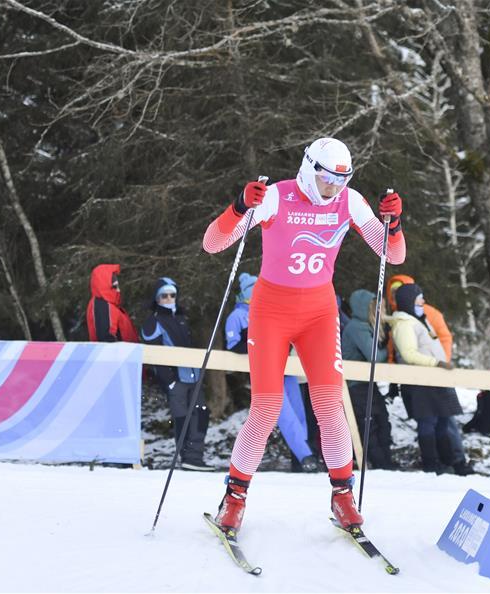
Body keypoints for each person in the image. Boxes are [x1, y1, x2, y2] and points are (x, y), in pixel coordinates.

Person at [202, 137, 405, 535]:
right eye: (327, 178)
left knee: (329, 405)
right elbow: (213, 243)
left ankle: (342, 495)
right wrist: (240, 206)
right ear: (309, 169)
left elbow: (392, 255)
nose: (333, 188)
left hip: (318, 312)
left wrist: (393, 225)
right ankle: (234, 498)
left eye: (341, 180)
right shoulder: (277, 197)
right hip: (271, 311)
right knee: (266, 407)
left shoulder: (349, 202)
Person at [225, 272, 320, 472]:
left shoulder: (272, 310)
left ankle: (302, 457)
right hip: (265, 370)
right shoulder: (237, 316)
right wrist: (256, 342)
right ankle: (306, 456)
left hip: (286, 368)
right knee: (283, 413)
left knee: (299, 412)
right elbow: (233, 345)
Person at [389, 283, 472, 475]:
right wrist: (436, 363)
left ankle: (448, 460)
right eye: (419, 299)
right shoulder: (404, 324)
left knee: (443, 422)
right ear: (410, 302)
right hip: (420, 383)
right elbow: (409, 354)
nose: (423, 302)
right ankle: (431, 463)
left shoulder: (420, 320)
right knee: (428, 424)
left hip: (435, 381)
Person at [140, 277, 213, 471]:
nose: (169, 298)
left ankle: (196, 456)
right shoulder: (153, 322)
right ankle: (187, 457)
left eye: (172, 294)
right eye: (164, 295)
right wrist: (169, 381)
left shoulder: (181, 318)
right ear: (157, 299)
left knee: (201, 414)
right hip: (176, 380)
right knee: (182, 417)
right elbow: (154, 355)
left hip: (193, 376)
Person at [341, 289, 397, 470]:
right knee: (369, 422)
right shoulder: (357, 328)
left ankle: (386, 460)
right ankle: (381, 463)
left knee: (382, 419)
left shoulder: (365, 326)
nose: (378, 310)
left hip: (366, 384)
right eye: (374, 307)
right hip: (355, 385)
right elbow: (375, 357)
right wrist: (389, 346)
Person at [385, 274, 453, 362]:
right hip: (417, 369)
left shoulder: (429, 313)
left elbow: (443, 338)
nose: (395, 295)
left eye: (399, 290)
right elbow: (393, 349)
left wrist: (444, 361)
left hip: (436, 367)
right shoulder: (399, 319)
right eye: (393, 291)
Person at [86, 264, 137, 343]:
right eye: (114, 286)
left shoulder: (110, 304)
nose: (118, 290)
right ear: (105, 285)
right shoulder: (102, 305)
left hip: (127, 352)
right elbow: (106, 340)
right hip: (119, 353)